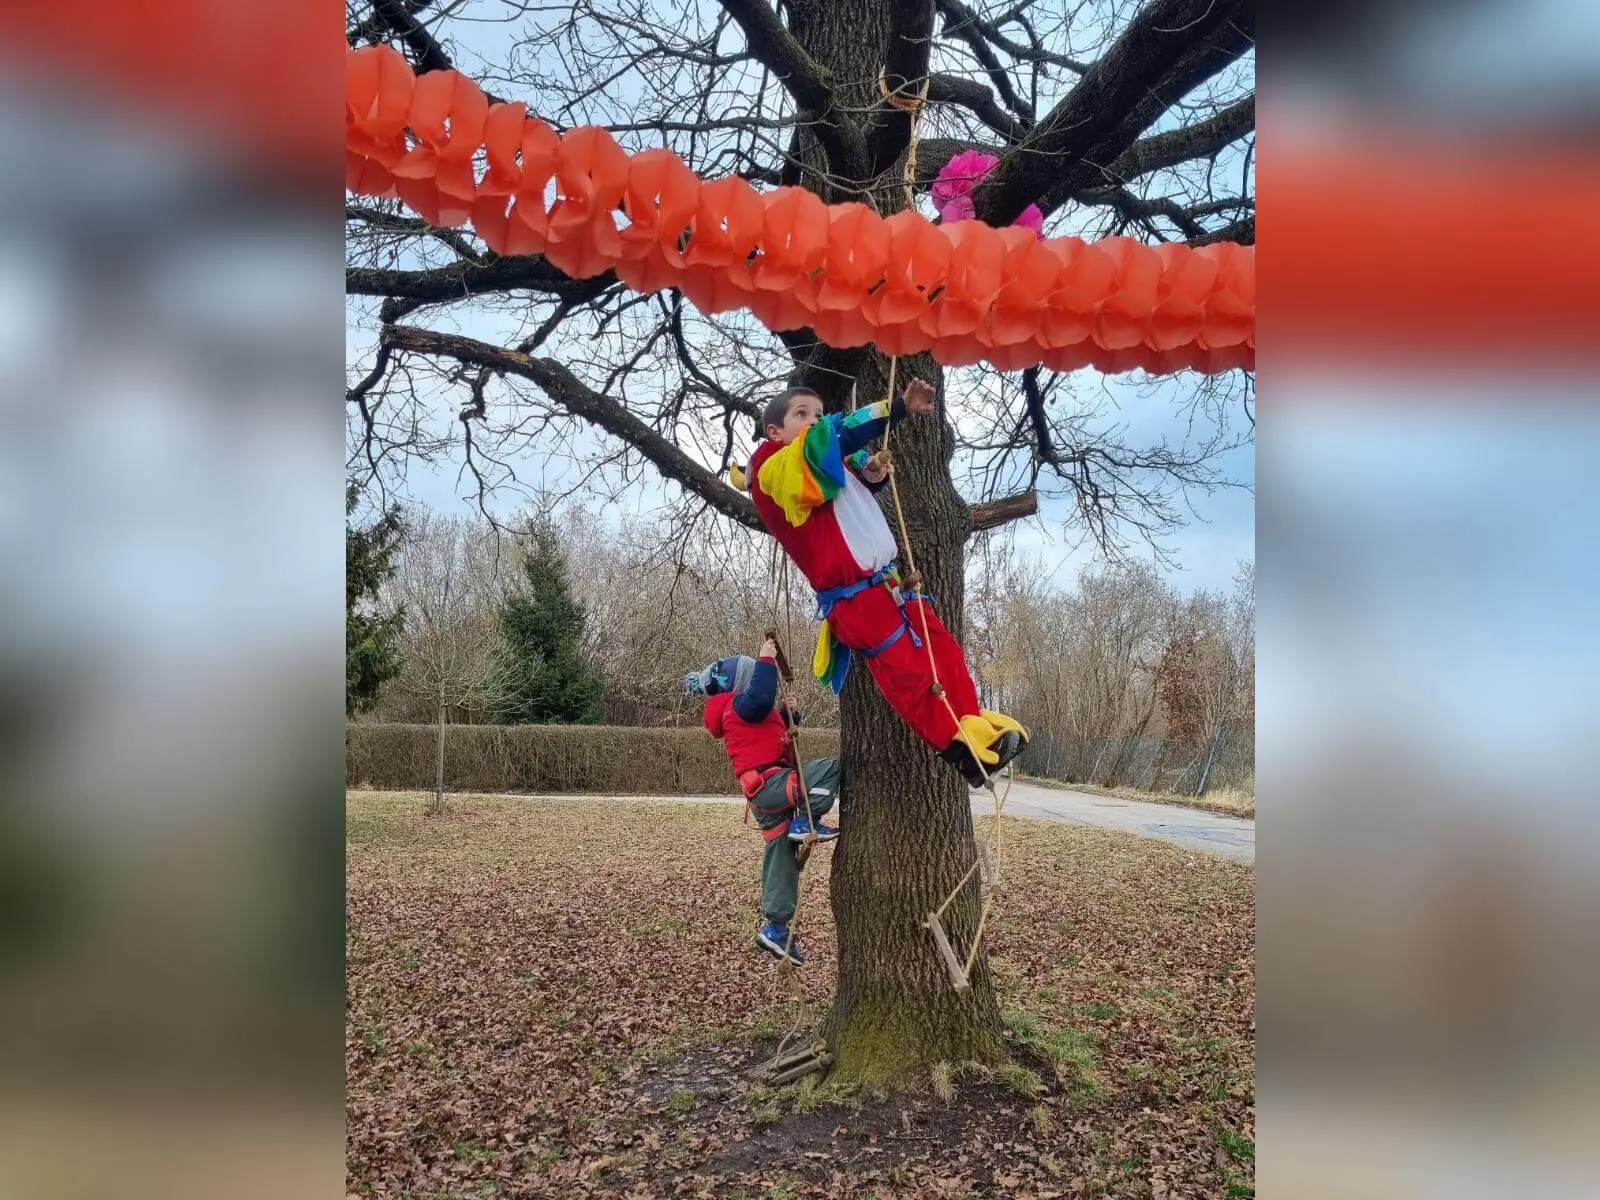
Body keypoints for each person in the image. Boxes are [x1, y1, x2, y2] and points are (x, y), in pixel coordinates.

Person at [736, 379, 1028, 788]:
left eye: (817, 413)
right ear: (775, 432)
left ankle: (975, 723)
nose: (813, 421)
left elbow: (843, 487)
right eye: (801, 414)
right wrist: (898, 407)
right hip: (856, 600)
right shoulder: (774, 470)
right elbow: (831, 438)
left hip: (889, 583)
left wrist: (870, 474)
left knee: (942, 649)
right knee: (908, 671)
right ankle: (957, 746)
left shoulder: (819, 466)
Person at [685, 637, 839, 966]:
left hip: (765, 795)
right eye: (754, 675)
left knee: (780, 854)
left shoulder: (745, 712)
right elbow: (759, 697)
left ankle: (776, 927)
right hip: (769, 784)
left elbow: (769, 732)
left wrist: (789, 714)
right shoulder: (738, 704)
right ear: (744, 682)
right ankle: (804, 821)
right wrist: (766, 660)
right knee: (830, 768)